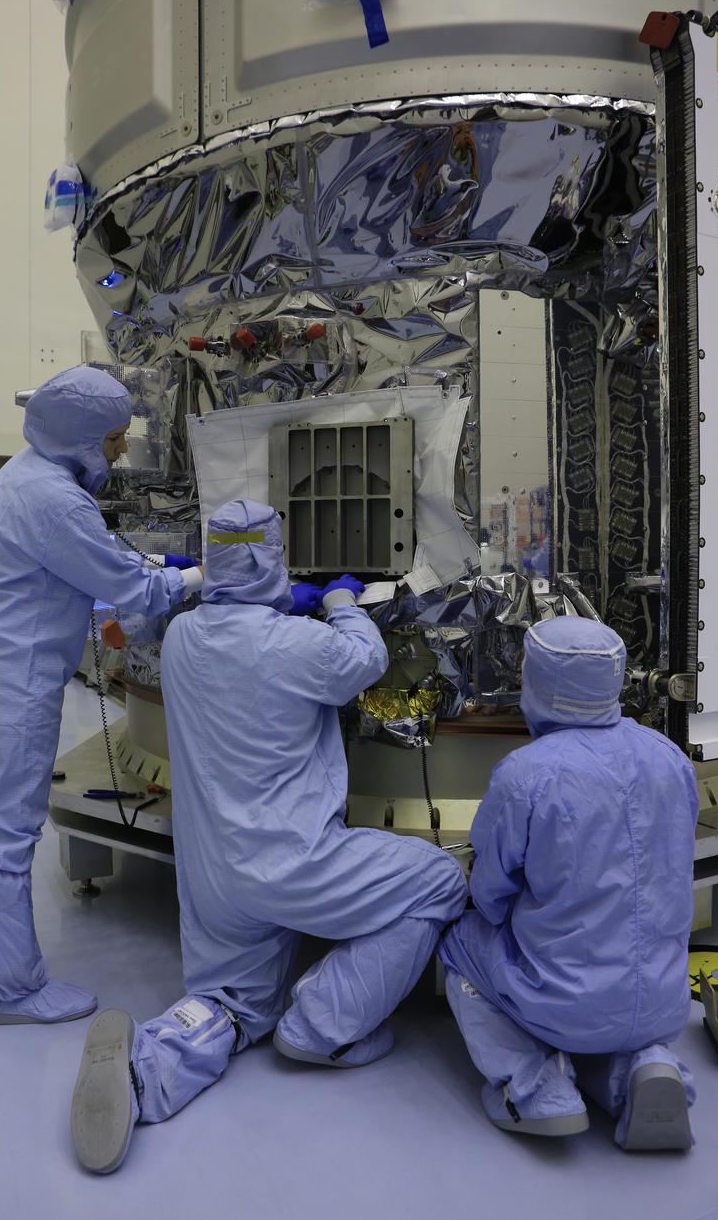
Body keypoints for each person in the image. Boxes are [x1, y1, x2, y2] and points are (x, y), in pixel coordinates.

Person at [70, 498, 468, 1173]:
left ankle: (151, 1069)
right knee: (437, 881)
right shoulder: (300, 645)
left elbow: (234, 639)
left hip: (214, 876)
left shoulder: (187, 640)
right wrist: (340, 601)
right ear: (272, 559)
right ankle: (319, 1027)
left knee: (230, 1000)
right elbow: (362, 663)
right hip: (298, 864)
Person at [0, 365, 202, 1025]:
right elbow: (133, 597)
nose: (118, 451)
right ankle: (12, 988)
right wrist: (200, 572)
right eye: (113, 439)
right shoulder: (57, 500)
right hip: (7, 685)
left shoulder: (27, 471)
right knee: (3, 833)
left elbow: (87, 558)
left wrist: (142, 560)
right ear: (80, 437)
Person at [440, 616, 698, 1150]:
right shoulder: (670, 758)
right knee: (621, 981)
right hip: (662, 1002)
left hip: (563, 1004)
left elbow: (488, 896)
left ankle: (539, 1089)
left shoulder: (525, 775)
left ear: (538, 680)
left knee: (460, 944)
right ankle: (643, 1067)